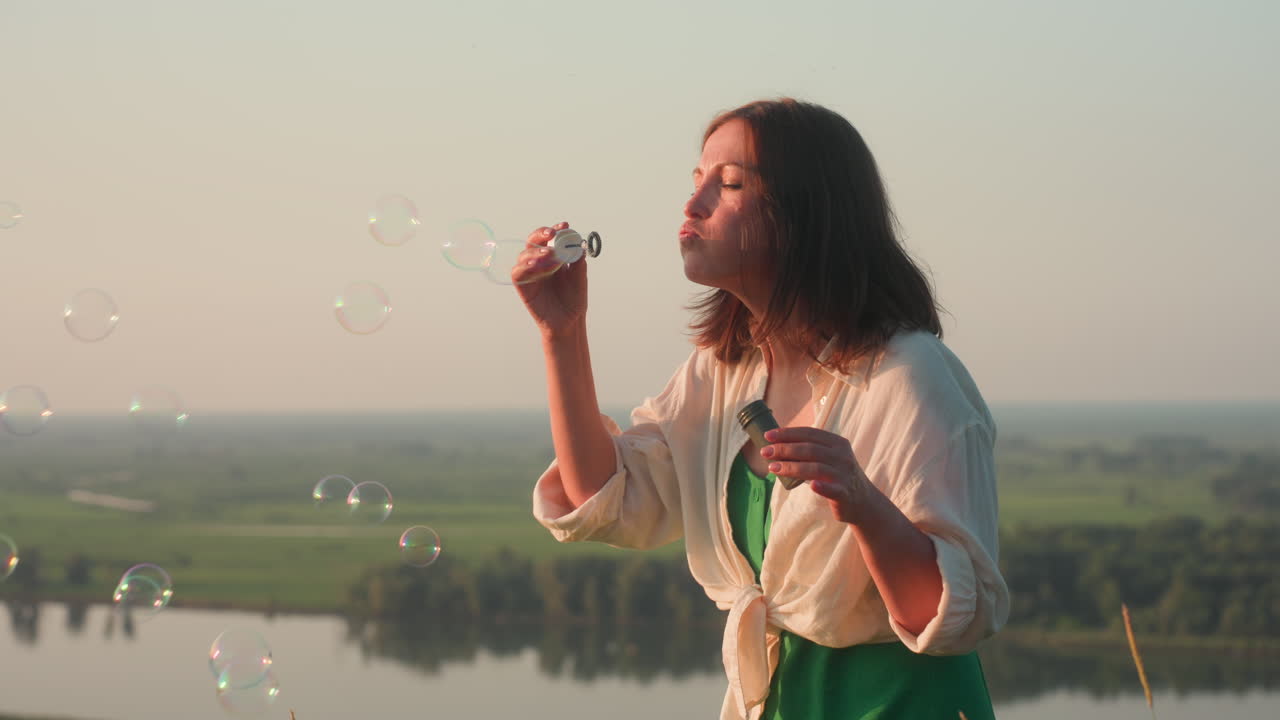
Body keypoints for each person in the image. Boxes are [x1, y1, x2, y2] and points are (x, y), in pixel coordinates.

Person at [512, 98, 1009, 720]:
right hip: (782, 699)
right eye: (696, 182)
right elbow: (606, 500)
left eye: (729, 184)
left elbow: (951, 616)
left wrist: (862, 501)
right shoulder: (723, 371)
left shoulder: (911, 377)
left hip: (900, 701)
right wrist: (563, 334)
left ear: (804, 213)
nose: (692, 206)